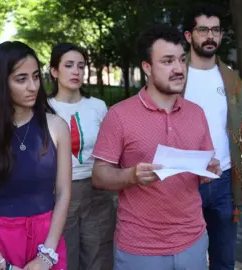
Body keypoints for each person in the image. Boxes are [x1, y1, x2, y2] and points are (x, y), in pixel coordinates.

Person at [91, 24, 222, 270]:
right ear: (147, 68)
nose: (179, 69)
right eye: (168, 61)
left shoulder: (196, 113)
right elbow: (99, 176)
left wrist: (209, 171)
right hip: (139, 248)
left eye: (182, 60)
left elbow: (206, 164)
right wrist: (131, 175)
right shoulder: (119, 115)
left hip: (192, 241)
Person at [0, 41, 71, 270]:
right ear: (0, 83)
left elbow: (63, 192)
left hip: (47, 241)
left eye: (36, 76)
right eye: (21, 79)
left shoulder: (56, 126)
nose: (33, 86)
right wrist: (1, 265)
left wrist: (47, 255)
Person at [182, 3, 242, 269]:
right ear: (189, 36)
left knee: (224, 260)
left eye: (216, 30)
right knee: (186, 258)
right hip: (184, 180)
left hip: (223, 182)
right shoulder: (175, 77)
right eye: (203, 29)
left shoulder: (232, 80)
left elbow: (239, 127)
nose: (210, 36)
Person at [48, 43, 115, 270]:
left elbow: (112, 150)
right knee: (64, 259)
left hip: (98, 193)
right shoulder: (43, 109)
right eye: (68, 65)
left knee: (99, 260)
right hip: (58, 195)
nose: (76, 71)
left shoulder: (98, 106)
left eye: (81, 66)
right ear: (54, 71)